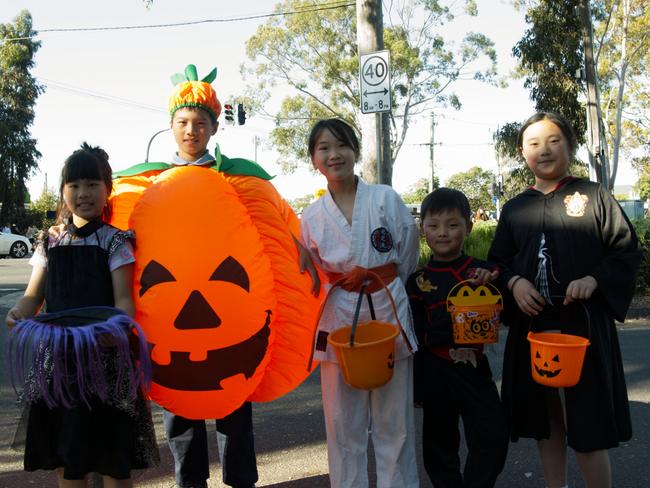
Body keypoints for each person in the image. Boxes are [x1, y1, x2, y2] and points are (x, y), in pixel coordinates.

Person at [153, 65, 318, 488]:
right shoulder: (150, 185)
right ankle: (190, 483)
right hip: (170, 326)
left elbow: (275, 223)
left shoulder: (239, 179)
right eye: (183, 123)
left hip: (232, 317)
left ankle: (241, 481)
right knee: (181, 415)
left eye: (200, 123)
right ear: (171, 126)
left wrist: (298, 250)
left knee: (234, 410)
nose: (191, 131)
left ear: (213, 127)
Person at [488, 112, 641, 488]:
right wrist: (514, 283)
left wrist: (594, 278)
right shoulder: (514, 208)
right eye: (534, 143)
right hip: (533, 323)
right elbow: (497, 263)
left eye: (554, 141)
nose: (544, 150)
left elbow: (626, 250)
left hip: (583, 324)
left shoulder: (593, 196)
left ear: (570, 147)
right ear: (523, 153)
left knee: (586, 419)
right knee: (545, 419)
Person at [5, 143, 158, 488]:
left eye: (92, 184)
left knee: (112, 458)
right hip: (57, 365)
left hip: (106, 362)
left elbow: (123, 300)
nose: (83, 193)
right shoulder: (49, 242)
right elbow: (33, 296)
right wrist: (18, 312)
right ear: (63, 192)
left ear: (107, 190)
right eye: (74, 186)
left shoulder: (116, 242)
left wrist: (116, 331)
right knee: (67, 459)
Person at [300, 118, 420, 488]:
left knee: (394, 422)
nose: (334, 154)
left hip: (386, 306)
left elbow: (408, 253)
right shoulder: (312, 215)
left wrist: (381, 282)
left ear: (355, 151)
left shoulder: (385, 198)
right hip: (339, 317)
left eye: (341, 145)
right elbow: (314, 271)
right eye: (324, 148)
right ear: (314, 159)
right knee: (342, 422)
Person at [405, 187, 508, 487]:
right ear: (422, 229)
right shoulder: (417, 281)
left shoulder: (481, 272)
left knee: (493, 434)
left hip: (474, 370)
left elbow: (502, 301)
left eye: (452, 225)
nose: (443, 233)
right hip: (436, 372)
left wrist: (492, 281)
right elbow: (416, 332)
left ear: (468, 227)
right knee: (438, 445)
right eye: (433, 225)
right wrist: (419, 385)